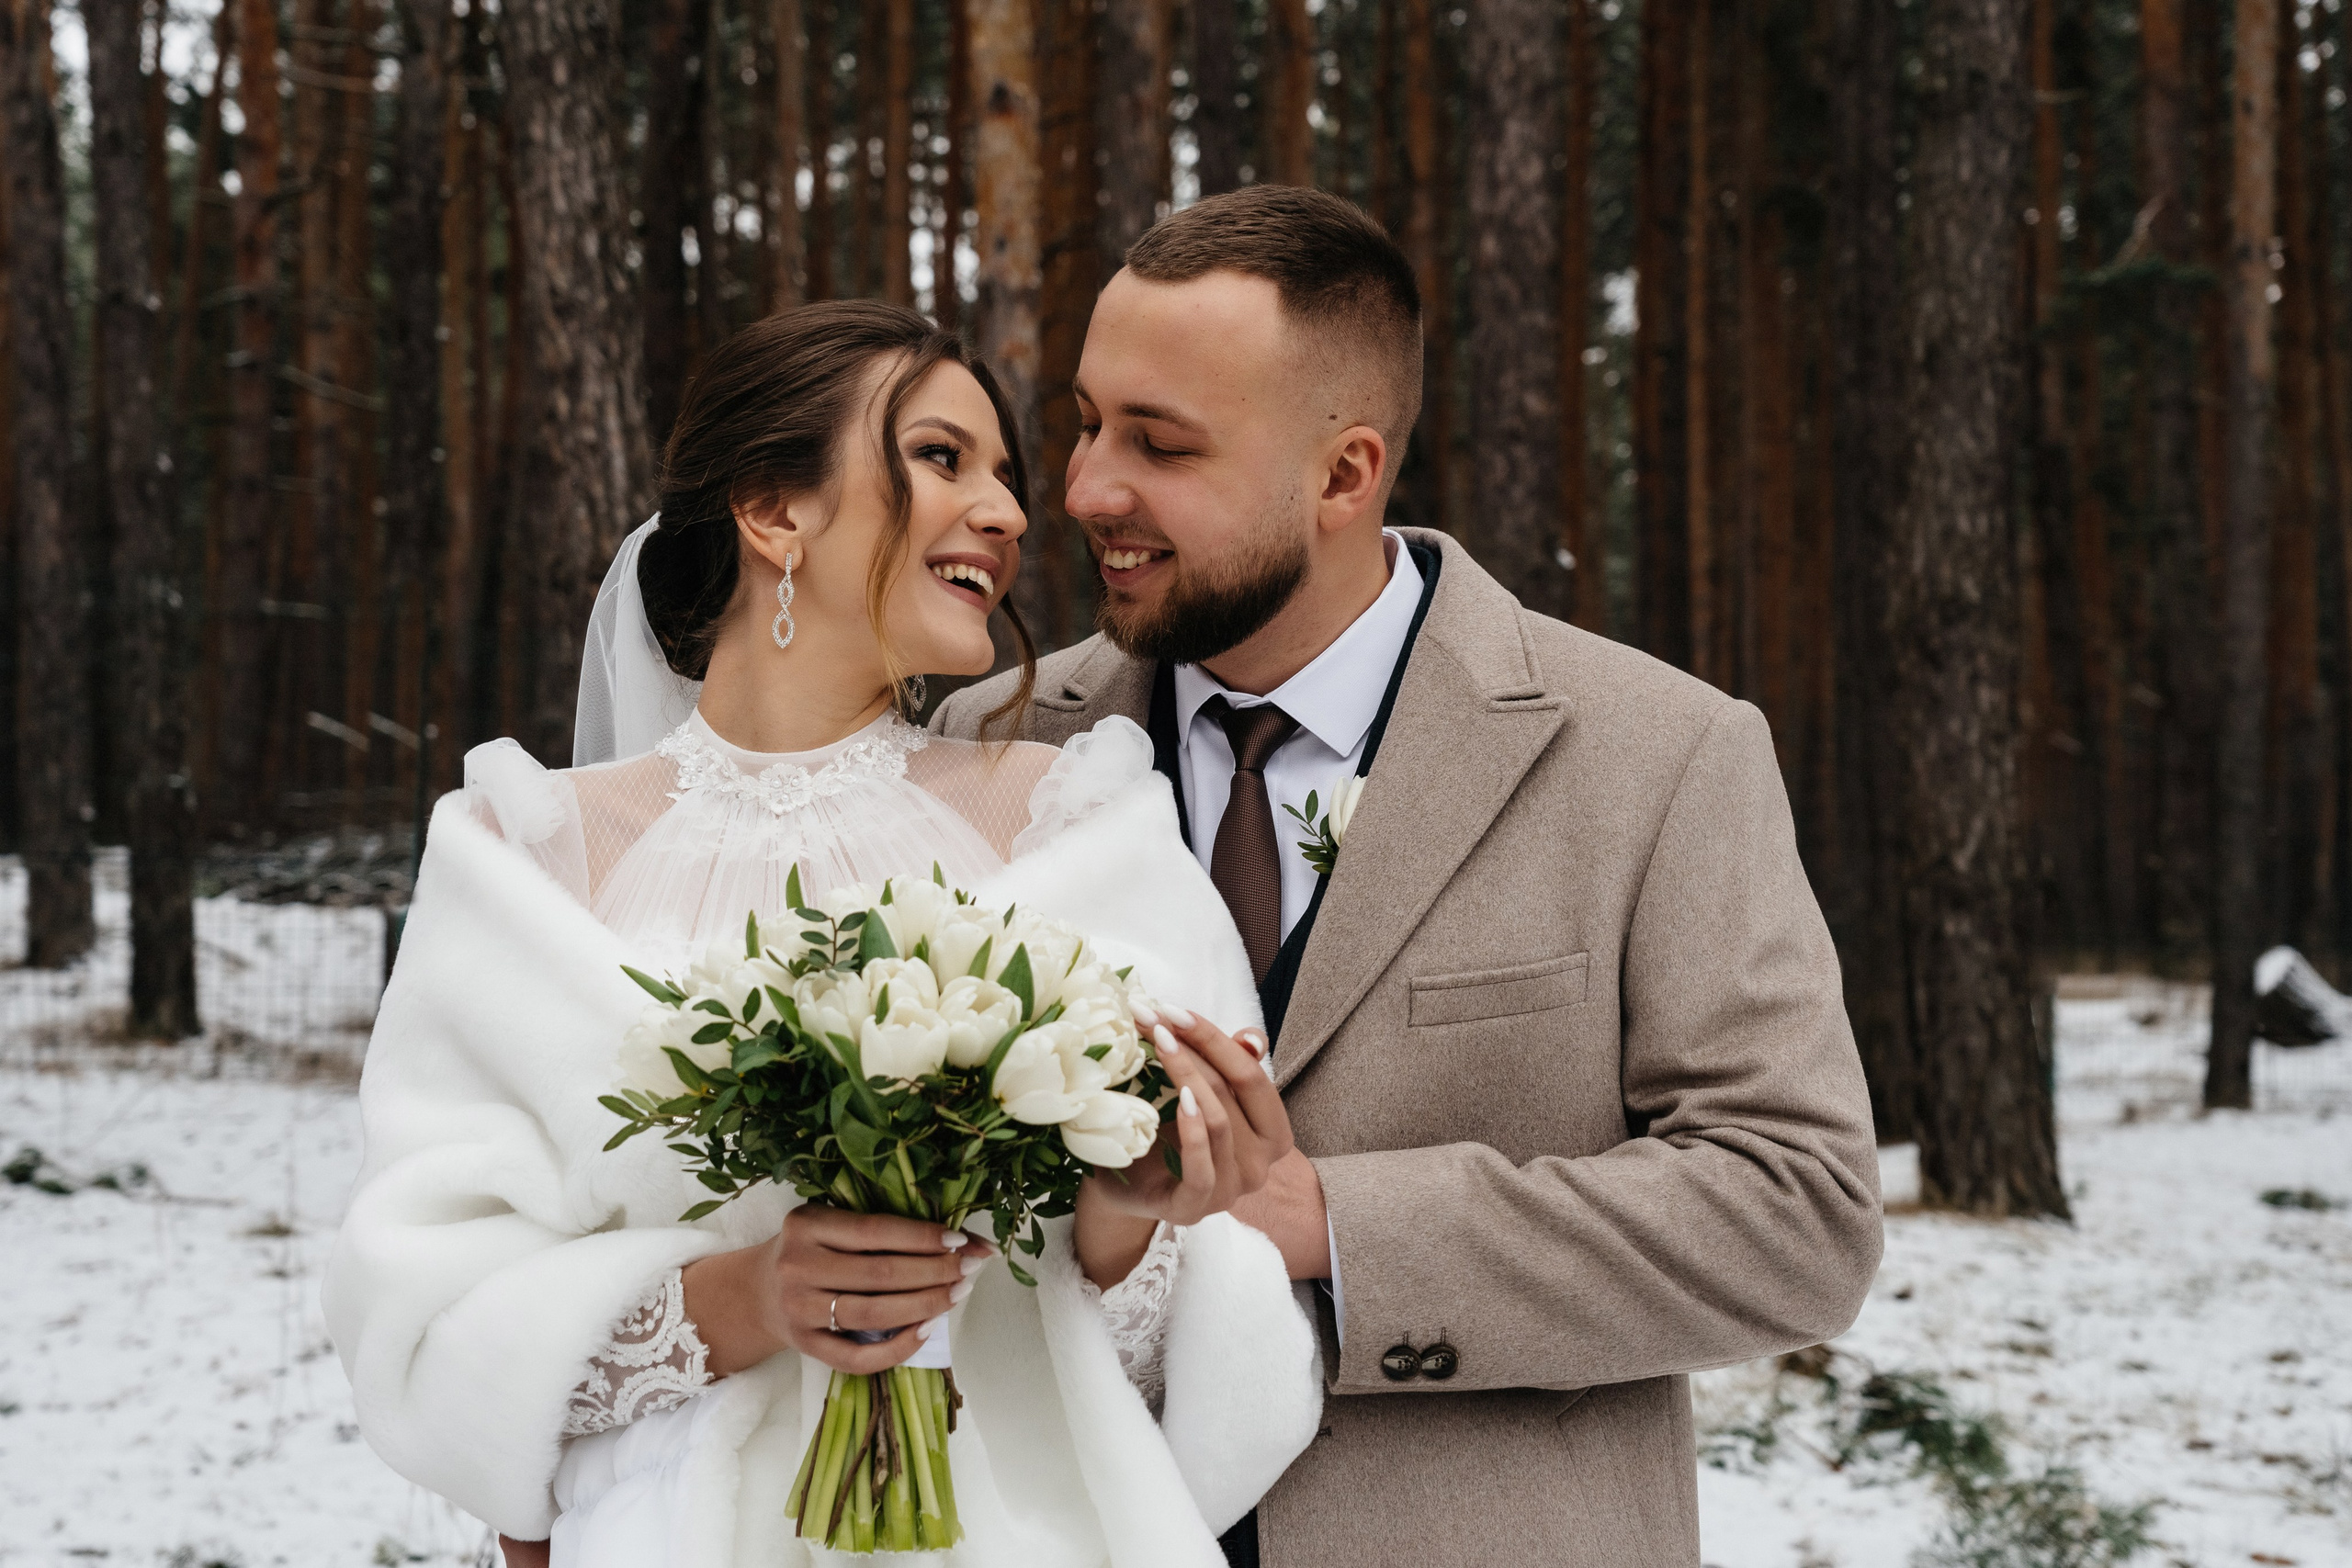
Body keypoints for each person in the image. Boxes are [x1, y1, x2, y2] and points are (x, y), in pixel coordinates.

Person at [932, 186, 1885, 1567]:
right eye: (1086, 422)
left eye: (1161, 443)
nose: (1085, 491)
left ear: (1343, 474)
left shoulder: (1659, 757)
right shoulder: (991, 746)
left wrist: (1333, 1225)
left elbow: (1799, 1215)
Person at [324, 301, 1321, 1568]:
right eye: (943, 458)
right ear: (773, 512)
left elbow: (1212, 1337)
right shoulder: (523, 859)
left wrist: (1130, 1224)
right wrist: (748, 1300)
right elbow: (421, 1327)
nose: (1013, 515)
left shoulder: (1082, 828)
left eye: (1007, 476)